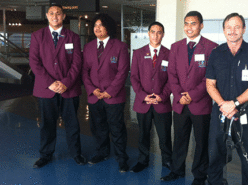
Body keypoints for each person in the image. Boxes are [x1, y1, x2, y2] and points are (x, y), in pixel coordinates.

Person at [206, 12, 248, 185]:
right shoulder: (216, 53)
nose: (232, 31)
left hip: (245, 113)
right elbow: (210, 84)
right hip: (220, 113)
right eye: (228, 27)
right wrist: (223, 105)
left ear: (244, 29)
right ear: (224, 30)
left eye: (237, 27)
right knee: (215, 154)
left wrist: (234, 103)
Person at [161, 11, 218, 185]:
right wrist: (179, 95)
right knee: (179, 139)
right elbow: (172, 74)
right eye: (186, 23)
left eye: (193, 23)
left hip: (201, 104)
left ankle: (200, 175)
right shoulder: (176, 46)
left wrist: (191, 95)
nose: (189, 27)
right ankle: (177, 170)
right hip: (180, 104)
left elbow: (210, 76)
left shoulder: (211, 47)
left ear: (201, 25)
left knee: (201, 143)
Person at [30, 4, 86, 168]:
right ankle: (45, 155)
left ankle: (76, 154)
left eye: (58, 13)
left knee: (72, 124)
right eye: (52, 13)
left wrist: (66, 83)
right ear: (47, 15)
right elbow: (34, 62)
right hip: (46, 89)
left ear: (63, 16)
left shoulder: (73, 37)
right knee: (47, 124)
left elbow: (77, 63)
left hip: (69, 88)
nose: (55, 16)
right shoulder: (37, 36)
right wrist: (51, 83)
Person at [81, 13, 130, 172]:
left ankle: (122, 158)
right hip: (94, 96)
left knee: (117, 128)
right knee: (98, 127)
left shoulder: (120, 46)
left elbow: (123, 72)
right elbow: (84, 71)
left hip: (113, 97)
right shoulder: (88, 47)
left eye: (101, 25)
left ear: (108, 27)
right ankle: (102, 153)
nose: (97, 28)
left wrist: (110, 91)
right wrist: (91, 89)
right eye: (95, 25)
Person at [130, 21, 172, 173]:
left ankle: (167, 161)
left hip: (162, 103)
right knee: (143, 135)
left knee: (165, 135)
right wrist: (143, 96)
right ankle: (143, 160)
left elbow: (172, 79)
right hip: (143, 103)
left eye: (159, 32)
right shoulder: (138, 53)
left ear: (163, 34)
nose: (155, 35)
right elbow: (134, 77)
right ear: (148, 33)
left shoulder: (169, 54)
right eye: (153, 32)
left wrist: (163, 96)